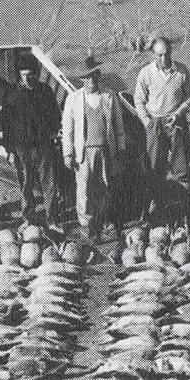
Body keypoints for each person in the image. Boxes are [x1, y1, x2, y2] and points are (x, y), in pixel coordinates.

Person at [61, 55, 127, 241]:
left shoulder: (109, 96)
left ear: (98, 75)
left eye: (94, 76)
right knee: (84, 189)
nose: (91, 80)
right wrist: (68, 153)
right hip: (84, 153)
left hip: (105, 150)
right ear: (82, 79)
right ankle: (87, 225)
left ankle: (104, 222)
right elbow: (67, 130)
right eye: (87, 77)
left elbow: (118, 125)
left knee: (105, 187)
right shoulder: (73, 99)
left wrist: (120, 148)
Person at [133, 36, 190, 216]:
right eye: (159, 55)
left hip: (176, 121)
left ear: (171, 52)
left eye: (166, 54)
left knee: (181, 163)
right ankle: (157, 204)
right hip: (155, 121)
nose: (163, 59)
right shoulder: (145, 73)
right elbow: (138, 99)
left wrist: (179, 113)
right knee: (154, 165)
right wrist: (147, 121)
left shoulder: (181, 71)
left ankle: (184, 203)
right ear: (153, 55)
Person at [2, 54, 61, 222]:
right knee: (26, 184)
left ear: (35, 73)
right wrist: (10, 150)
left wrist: (53, 132)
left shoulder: (45, 91)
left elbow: (56, 116)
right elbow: (7, 125)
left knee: (49, 183)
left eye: (31, 74)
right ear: (18, 74)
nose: (28, 78)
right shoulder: (11, 94)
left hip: (43, 146)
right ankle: (29, 217)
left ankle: (52, 217)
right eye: (23, 75)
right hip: (22, 148)